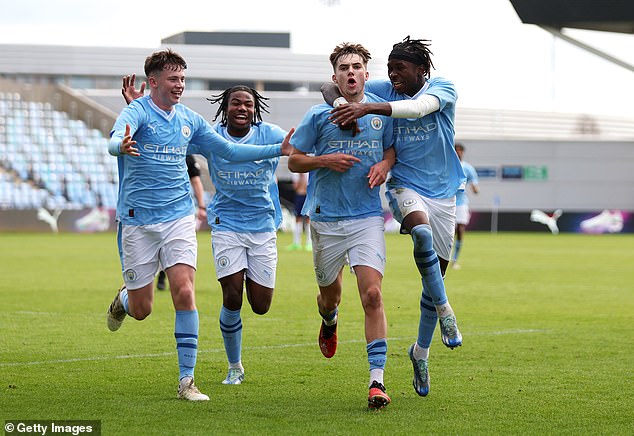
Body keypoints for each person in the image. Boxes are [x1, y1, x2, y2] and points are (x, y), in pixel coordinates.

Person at [105, 49, 293, 402]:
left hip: (179, 216)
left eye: (183, 79)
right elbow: (115, 139)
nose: (180, 85)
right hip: (137, 220)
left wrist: (276, 150)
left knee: (185, 291)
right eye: (174, 79)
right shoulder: (137, 111)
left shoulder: (189, 119)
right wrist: (121, 145)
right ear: (154, 82)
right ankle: (125, 300)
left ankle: (187, 381)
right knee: (143, 309)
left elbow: (230, 151)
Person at [322, 36, 466, 398]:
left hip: (444, 192)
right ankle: (446, 309)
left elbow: (418, 110)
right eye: (388, 69)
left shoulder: (443, 88)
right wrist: (344, 103)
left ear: (421, 70)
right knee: (419, 234)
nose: (392, 75)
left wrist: (368, 109)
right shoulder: (387, 87)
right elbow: (329, 85)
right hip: (404, 185)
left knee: (432, 278)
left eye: (399, 68)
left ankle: (421, 351)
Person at [288, 42, 396, 409]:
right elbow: (294, 162)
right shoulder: (318, 115)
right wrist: (323, 160)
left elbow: (392, 149)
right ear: (335, 77)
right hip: (326, 219)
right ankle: (329, 319)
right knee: (329, 296)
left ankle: (377, 382)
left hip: (366, 218)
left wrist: (385, 165)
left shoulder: (382, 115)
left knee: (373, 295)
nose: (351, 73)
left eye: (357, 67)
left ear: (367, 74)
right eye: (344, 68)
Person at [156, 154, 207, 291]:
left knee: (177, 246)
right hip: (159, 209)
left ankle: (166, 275)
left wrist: (201, 206)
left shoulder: (187, 156)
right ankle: (158, 274)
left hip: (180, 211)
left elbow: (196, 181)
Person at [451, 142, 479, 269]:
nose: (458, 152)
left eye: (460, 150)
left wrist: (475, 188)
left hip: (461, 203)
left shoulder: (468, 168)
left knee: (460, 230)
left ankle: (455, 259)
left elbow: (474, 183)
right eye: (456, 150)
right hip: (447, 201)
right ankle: (444, 257)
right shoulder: (447, 165)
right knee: (448, 232)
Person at [286, 171, 311, 251]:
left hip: (307, 196)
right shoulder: (295, 173)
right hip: (299, 196)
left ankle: (309, 243)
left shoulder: (310, 171)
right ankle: (296, 243)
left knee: (308, 219)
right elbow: (296, 187)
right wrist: (301, 177)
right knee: (298, 218)